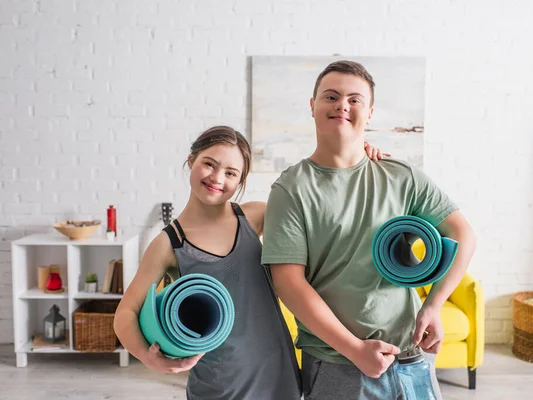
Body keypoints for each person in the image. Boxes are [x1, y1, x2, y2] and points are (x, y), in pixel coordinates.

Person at [113, 125, 386, 400]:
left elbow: (319, 207)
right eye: (210, 164)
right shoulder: (169, 243)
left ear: (240, 180)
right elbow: (126, 314)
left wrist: (354, 158)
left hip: (279, 375)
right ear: (191, 160)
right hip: (217, 385)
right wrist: (150, 359)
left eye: (231, 173)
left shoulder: (255, 217)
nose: (217, 178)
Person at [261, 60, 477, 400]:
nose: (342, 105)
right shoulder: (291, 189)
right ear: (312, 106)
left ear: (370, 112)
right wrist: (354, 349)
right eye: (330, 96)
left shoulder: (402, 177)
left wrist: (434, 305)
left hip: (409, 356)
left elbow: (463, 234)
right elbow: (288, 283)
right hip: (339, 363)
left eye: (354, 99)